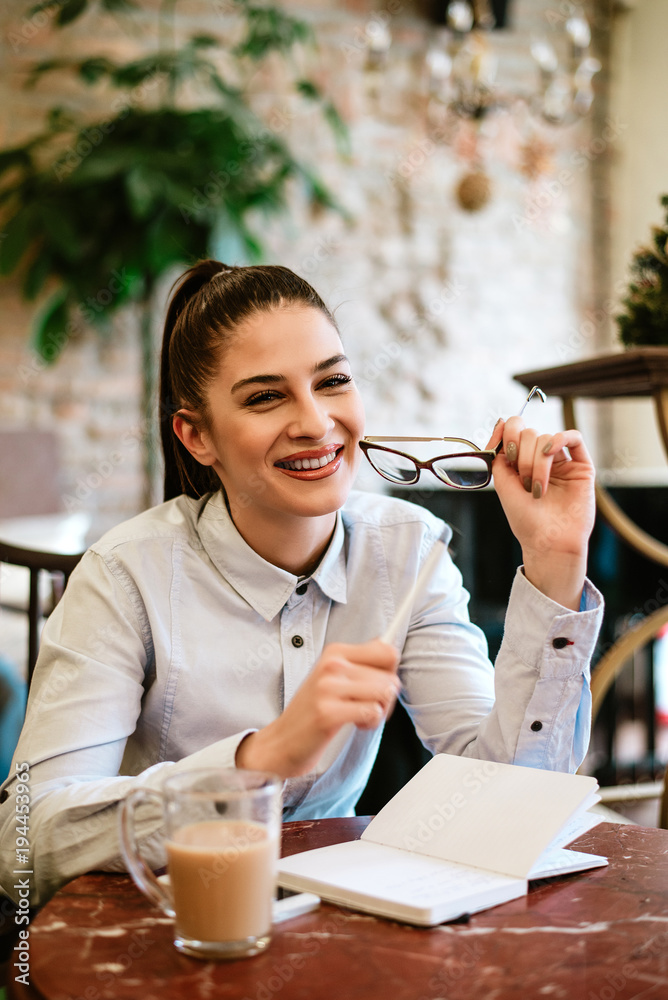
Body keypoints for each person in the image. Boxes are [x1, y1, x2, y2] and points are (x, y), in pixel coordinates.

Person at [0, 260, 603, 906]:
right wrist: (261, 761)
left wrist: (554, 560)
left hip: (331, 929)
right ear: (196, 435)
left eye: (333, 381)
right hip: (165, 930)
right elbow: (23, 845)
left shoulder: (409, 551)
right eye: (266, 396)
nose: (316, 423)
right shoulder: (125, 576)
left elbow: (505, 803)